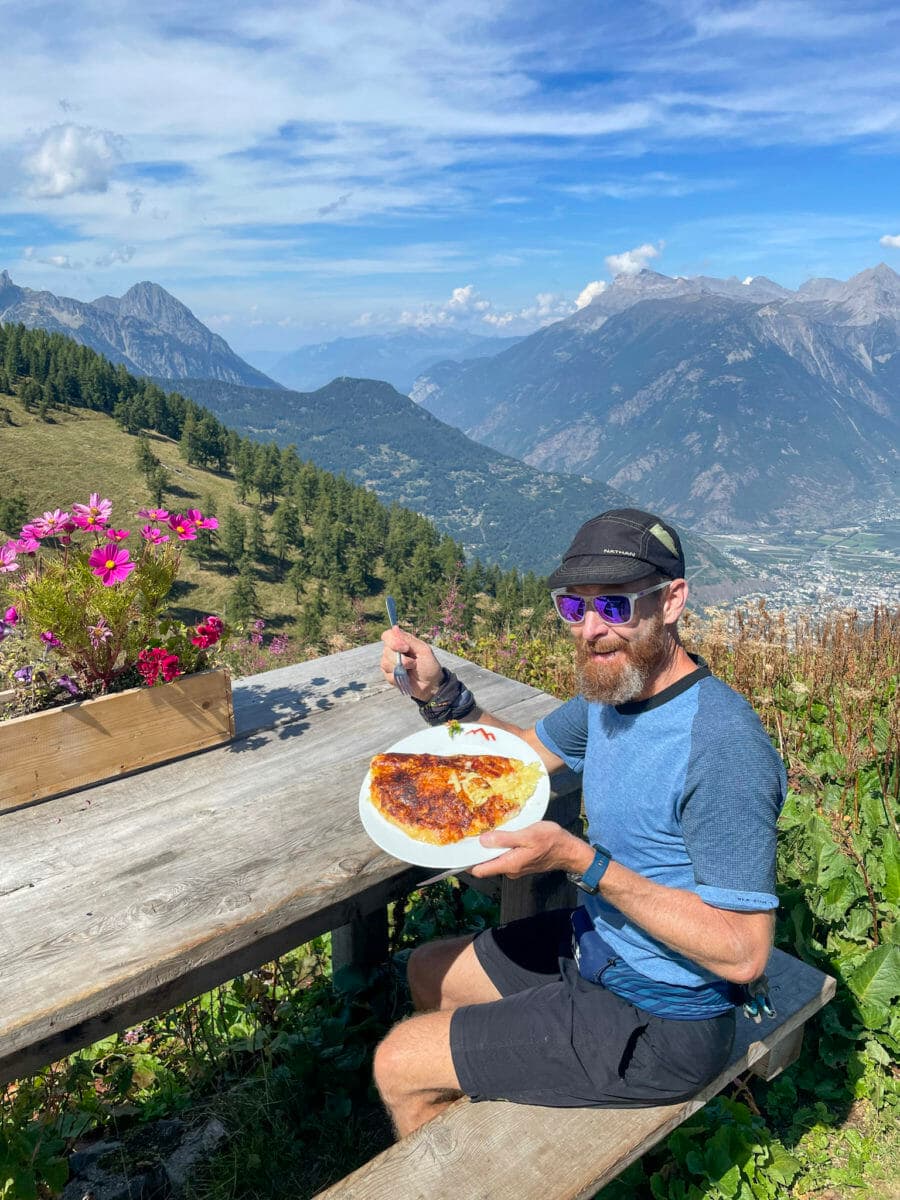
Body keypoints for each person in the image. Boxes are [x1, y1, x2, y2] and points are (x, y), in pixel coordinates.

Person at [375, 507, 786, 1138]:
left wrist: (581, 862)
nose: (590, 630)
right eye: (575, 606)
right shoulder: (615, 690)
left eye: (616, 607)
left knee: (398, 1062)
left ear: (672, 600)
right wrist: (440, 693)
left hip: (665, 1019)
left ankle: (455, 1135)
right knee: (427, 969)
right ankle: (473, 1123)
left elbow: (744, 953)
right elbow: (519, 756)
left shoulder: (722, 747)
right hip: (600, 943)